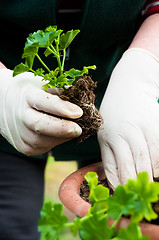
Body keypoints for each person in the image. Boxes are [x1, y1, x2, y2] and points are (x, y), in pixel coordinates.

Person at [0, 0, 159, 239]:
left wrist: (144, 66)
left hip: (123, 101)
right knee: (11, 223)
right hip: (8, 102)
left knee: (113, 223)